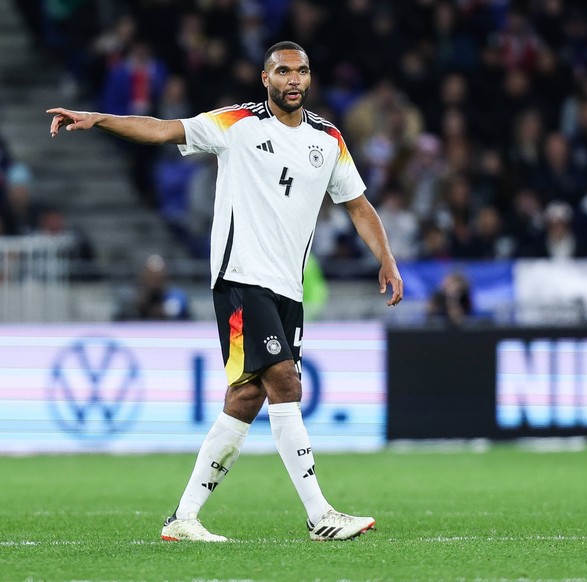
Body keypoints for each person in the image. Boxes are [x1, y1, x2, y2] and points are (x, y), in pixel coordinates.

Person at [47, 41, 403, 543]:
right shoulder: (237, 123)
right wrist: (99, 118)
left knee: (246, 396)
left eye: (301, 70)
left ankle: (183, 518)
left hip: (287, 287)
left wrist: (386, 258)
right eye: (282, 71)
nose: (293, 79)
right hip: (241, 279)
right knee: (284, 383)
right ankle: (320, 515)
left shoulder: (329, 139)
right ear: (265, 79)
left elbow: (359, 206)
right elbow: (163, 128)